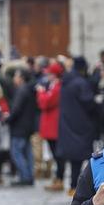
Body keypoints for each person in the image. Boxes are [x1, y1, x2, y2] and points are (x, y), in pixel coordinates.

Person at [56, 56, 100, 195]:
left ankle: (73, 186)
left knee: (75, 158)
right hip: (82, 125)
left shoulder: (65, 81)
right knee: (85, 157)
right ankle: (79, 187)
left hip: (68, 123)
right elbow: (89, 103)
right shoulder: (80, 83)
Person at [7, 68, 38, 185]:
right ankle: (29, 176)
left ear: (21, 78)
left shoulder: (22, 90)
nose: (14, 79)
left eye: (16, 76)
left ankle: (25, 177)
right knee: (27, 153)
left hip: (19, 127)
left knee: (17, 152)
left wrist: (8, 119)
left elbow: (16, 109)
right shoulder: (29, 89)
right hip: (27, 126)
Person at [38, 61, 65, 190]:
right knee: (55, 154)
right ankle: (57, 178)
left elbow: (45, 103)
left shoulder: (57, 87)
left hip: (53, 126)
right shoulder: (54, 85)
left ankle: (59, 179)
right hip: (51, 125)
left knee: (57, 154)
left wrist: (40, 92)